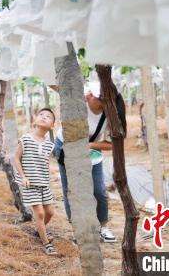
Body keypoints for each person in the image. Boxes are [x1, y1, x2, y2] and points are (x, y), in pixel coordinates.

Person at [54, 81, 121, 243]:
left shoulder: (110, 116)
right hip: (66, 148)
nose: (90, 96)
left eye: (96, 97)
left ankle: (103, 226)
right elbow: (55, 85)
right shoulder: (81, 99)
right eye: (91, 94)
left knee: (98, 191)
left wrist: (89, 145)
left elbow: (112, 144)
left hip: (91, 151)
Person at [13, 108, 58, 255]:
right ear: (35, 121)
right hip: (30, 183)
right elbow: (16, 159)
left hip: (44, 183)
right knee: (39, 213)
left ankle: (38, 231)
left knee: (50, 212)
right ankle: (46, 243)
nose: (44, 117)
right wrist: (23, 177)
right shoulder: (25, 139)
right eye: (41, 115)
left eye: (48, 117)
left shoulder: (49, 144)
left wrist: (50, 176)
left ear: (52, 125)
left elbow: (44, 163)